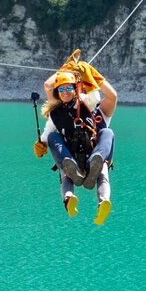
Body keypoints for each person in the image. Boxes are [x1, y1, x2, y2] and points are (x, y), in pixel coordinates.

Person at [33, 59, 117, 224]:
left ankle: (103, 201)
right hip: (71, 157)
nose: (65, 91)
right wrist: (41, 143)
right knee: (55, 142)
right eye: (62, 89)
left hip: (94, 155)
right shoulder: (57, 114)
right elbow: (48, 132)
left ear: (76, 89)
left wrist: (90, 74)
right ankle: (69, 197)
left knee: (107, 133)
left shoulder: (91, 105)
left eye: (69, 88)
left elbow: (100, 95)